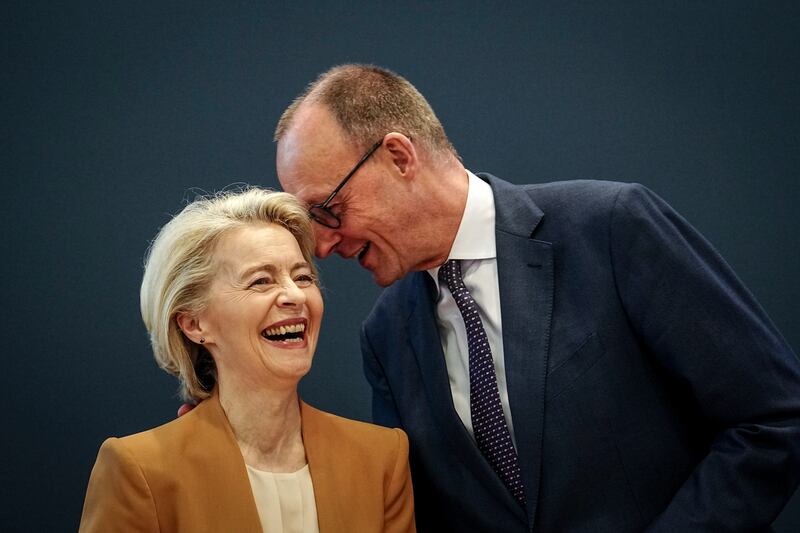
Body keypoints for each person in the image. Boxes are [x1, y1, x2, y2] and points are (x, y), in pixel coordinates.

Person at [274, 64, 800, 532]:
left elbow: (773, 419)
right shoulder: (386, 335)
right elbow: (406, 510)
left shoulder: (611, 227)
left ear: (397, 156)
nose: (322, 244)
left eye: (327, 210)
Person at [79, 188, 416, 532]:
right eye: (261, 281)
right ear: (194, 324)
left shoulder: (381, 459)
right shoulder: (141, 470)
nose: (295, 295)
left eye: (303, 277)